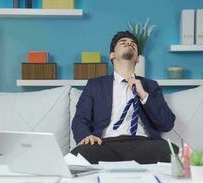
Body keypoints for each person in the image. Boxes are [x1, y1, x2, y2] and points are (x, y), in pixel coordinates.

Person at [71, 31, 177, 164]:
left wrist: (143, 95)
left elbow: (167, 124)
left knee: (172, 151)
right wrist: (86, 137)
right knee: (78, 155)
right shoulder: (95, 85)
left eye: (133, 44)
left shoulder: (150, 85)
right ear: (112, 55)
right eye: (123, 43)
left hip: (143, 144)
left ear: (137, 58)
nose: (129, 44)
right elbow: (80, 119)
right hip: (105, 145)